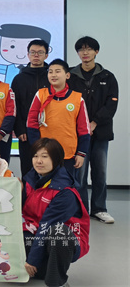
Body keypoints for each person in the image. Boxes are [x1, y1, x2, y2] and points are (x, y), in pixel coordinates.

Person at [22, 138, 89, 287]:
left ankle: (56, 282)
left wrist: (32, 259)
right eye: (35, 156)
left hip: (65, 237)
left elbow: (47, 225)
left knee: (58, 234)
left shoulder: (65, 191)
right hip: (37, 232)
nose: (39, 161)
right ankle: (42, 269)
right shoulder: (31, 180)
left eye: (45, 156)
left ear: (56, 159)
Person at [68, 36, 119, 223]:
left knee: (100, 172)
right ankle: (81, 209)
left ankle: (99, 208)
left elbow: (111, 104)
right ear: (78, 53)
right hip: (77, 134)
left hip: (101, 133)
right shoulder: (70, 76)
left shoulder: (108, 77)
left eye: (89, 49)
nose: (85, 53)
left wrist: (94, 122)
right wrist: (82, 126)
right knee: (79, 173)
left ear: (96, 52)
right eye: (81, 49)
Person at [27, 58, 90, 202]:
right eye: (50, 72)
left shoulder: (77, 99)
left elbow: (84, 129)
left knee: (67, 188)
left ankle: (72, 214)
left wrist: (81, 153)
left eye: (57, 71)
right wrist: (38, 148)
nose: (53, 75)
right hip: (45, 153)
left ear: (67, 75)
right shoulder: (40, 94)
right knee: (44, 188)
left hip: (68, 154)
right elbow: (31, 123)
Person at [11, 39, 50, 178]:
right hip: (26, 132)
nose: (36, 55)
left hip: (50, 130)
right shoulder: (19, 79)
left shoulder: (51, 77)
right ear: (28, 55)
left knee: (50, 166)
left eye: (40, 52)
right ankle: (28, 193)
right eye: (33, 52)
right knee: (28, 168)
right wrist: (20, 129)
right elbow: (15, 106)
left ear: (46, 55)